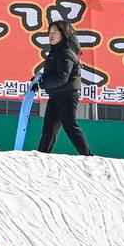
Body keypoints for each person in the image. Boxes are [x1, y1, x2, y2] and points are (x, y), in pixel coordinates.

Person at [36, 18, 92, 155]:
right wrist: (39, 79)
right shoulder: (55, 53)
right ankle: (42, 155)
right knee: (49, 128)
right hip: (56, 95)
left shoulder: (66, 54)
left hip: (67, 96)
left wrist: (42, 83)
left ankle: (88, 155)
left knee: (70, 125)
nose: (51, 34)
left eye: (55, 32)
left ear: (64, 34)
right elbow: (52, 74)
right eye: (50, 32)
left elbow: (62, 78)